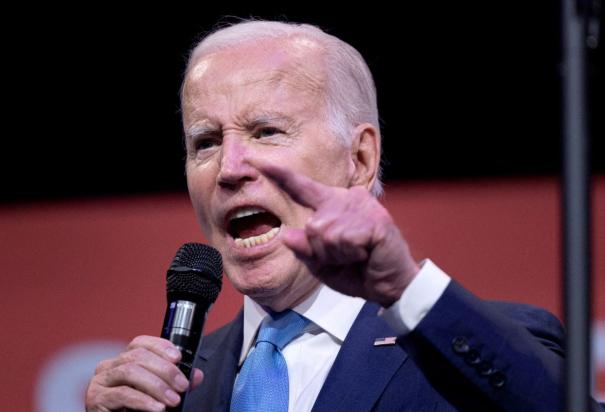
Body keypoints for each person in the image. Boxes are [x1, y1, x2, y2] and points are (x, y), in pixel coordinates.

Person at [85, 20, 594, 411]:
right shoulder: (175, 394)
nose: (229, 168)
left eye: (266, 131)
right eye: (206, 142)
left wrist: (404, 290)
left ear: (360, 160)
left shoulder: (471, 353)